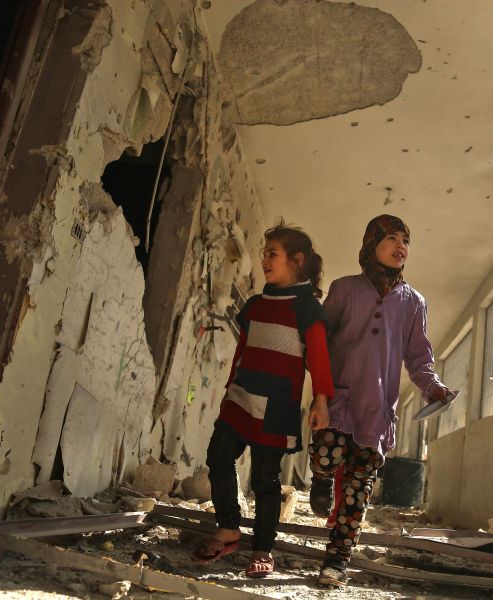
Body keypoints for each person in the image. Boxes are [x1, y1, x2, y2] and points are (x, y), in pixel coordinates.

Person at [308, 214, 453, 587]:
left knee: (358, 493)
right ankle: (321, 479)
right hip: (336, 401)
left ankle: (337, 561)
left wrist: (433, 387)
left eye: (406, 239)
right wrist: (319, 396)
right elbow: (319, 343)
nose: (401, 245)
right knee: (325, 456)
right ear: (371, 243)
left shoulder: (414, 303)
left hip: (376, 412)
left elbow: (419, 359)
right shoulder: (344, 289)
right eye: (391, 237)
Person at [193, 220, 334, 578]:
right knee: (218, 457)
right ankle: (228, 530)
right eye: (264, 255)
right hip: (240, 399)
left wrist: (321, 399)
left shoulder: (307, 309)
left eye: (273, 254)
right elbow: (242, 351)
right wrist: (228, 390)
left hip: (277, 406)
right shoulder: (255, 304)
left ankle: (263, 549)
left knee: (265, 481)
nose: (264, 261)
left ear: (297, 261)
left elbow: (318, 358)